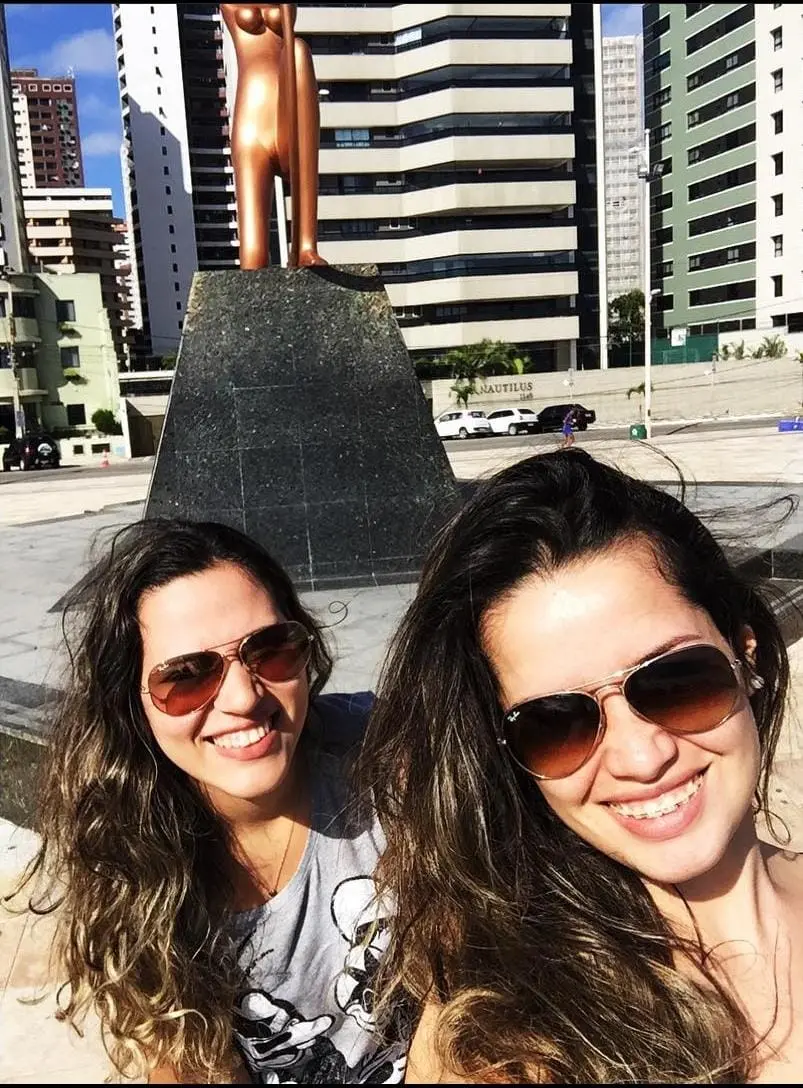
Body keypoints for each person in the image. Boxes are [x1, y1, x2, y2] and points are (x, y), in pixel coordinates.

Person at [359, 448, 801, 1084]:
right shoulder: (504, 1041)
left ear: (744, 653)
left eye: (676, 680)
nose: (642, 757)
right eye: (555, 724)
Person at [10, 518, 408, 1084]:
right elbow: (189, 1065)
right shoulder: (131, 856)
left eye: (270, 650)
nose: (245, 697)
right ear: (132, 704)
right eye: (188, 677)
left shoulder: (393, 763)